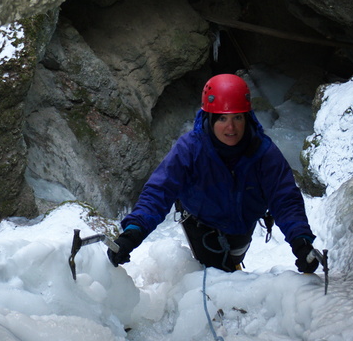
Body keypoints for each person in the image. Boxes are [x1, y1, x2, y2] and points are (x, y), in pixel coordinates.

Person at [107, 73, 320, 273]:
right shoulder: (190, 149)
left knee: (231, 267)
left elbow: (285, 199)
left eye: (237, 118)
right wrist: (133, 232)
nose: (231, 128)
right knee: (215, 278)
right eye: (222, 119)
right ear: (209, 118)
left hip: (241, 228)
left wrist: (301, 241)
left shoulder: (262, 152)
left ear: (247, 117)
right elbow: (159, 191)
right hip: (201, 227)